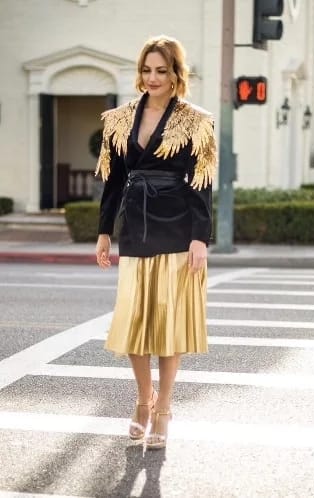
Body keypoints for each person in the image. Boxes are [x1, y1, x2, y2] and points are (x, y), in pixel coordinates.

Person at [95, 35, 216, 450]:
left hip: (178, 228)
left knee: (167, 323)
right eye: (147, 70)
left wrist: (200, 237)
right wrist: (104, 231)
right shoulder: (119, 119)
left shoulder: (196, 121)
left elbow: (202, 183)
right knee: (134, 322)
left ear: (176, 73)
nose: (153, 78)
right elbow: (113, 181)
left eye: (161, 70)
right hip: (135, 227)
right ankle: (142, 399)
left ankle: (163, 406)